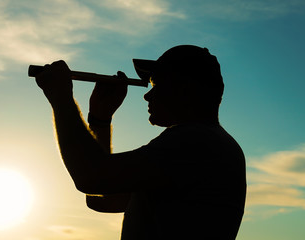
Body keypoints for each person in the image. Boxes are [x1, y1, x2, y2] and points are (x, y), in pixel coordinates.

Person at [35, 45, 246, 239]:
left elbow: (91, 178)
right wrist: (100, 119)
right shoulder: (208, 144)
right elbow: (103, 198)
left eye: (157, 84)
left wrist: (61, 97)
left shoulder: (196, 141)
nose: (147, 96)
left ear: (185, 89)